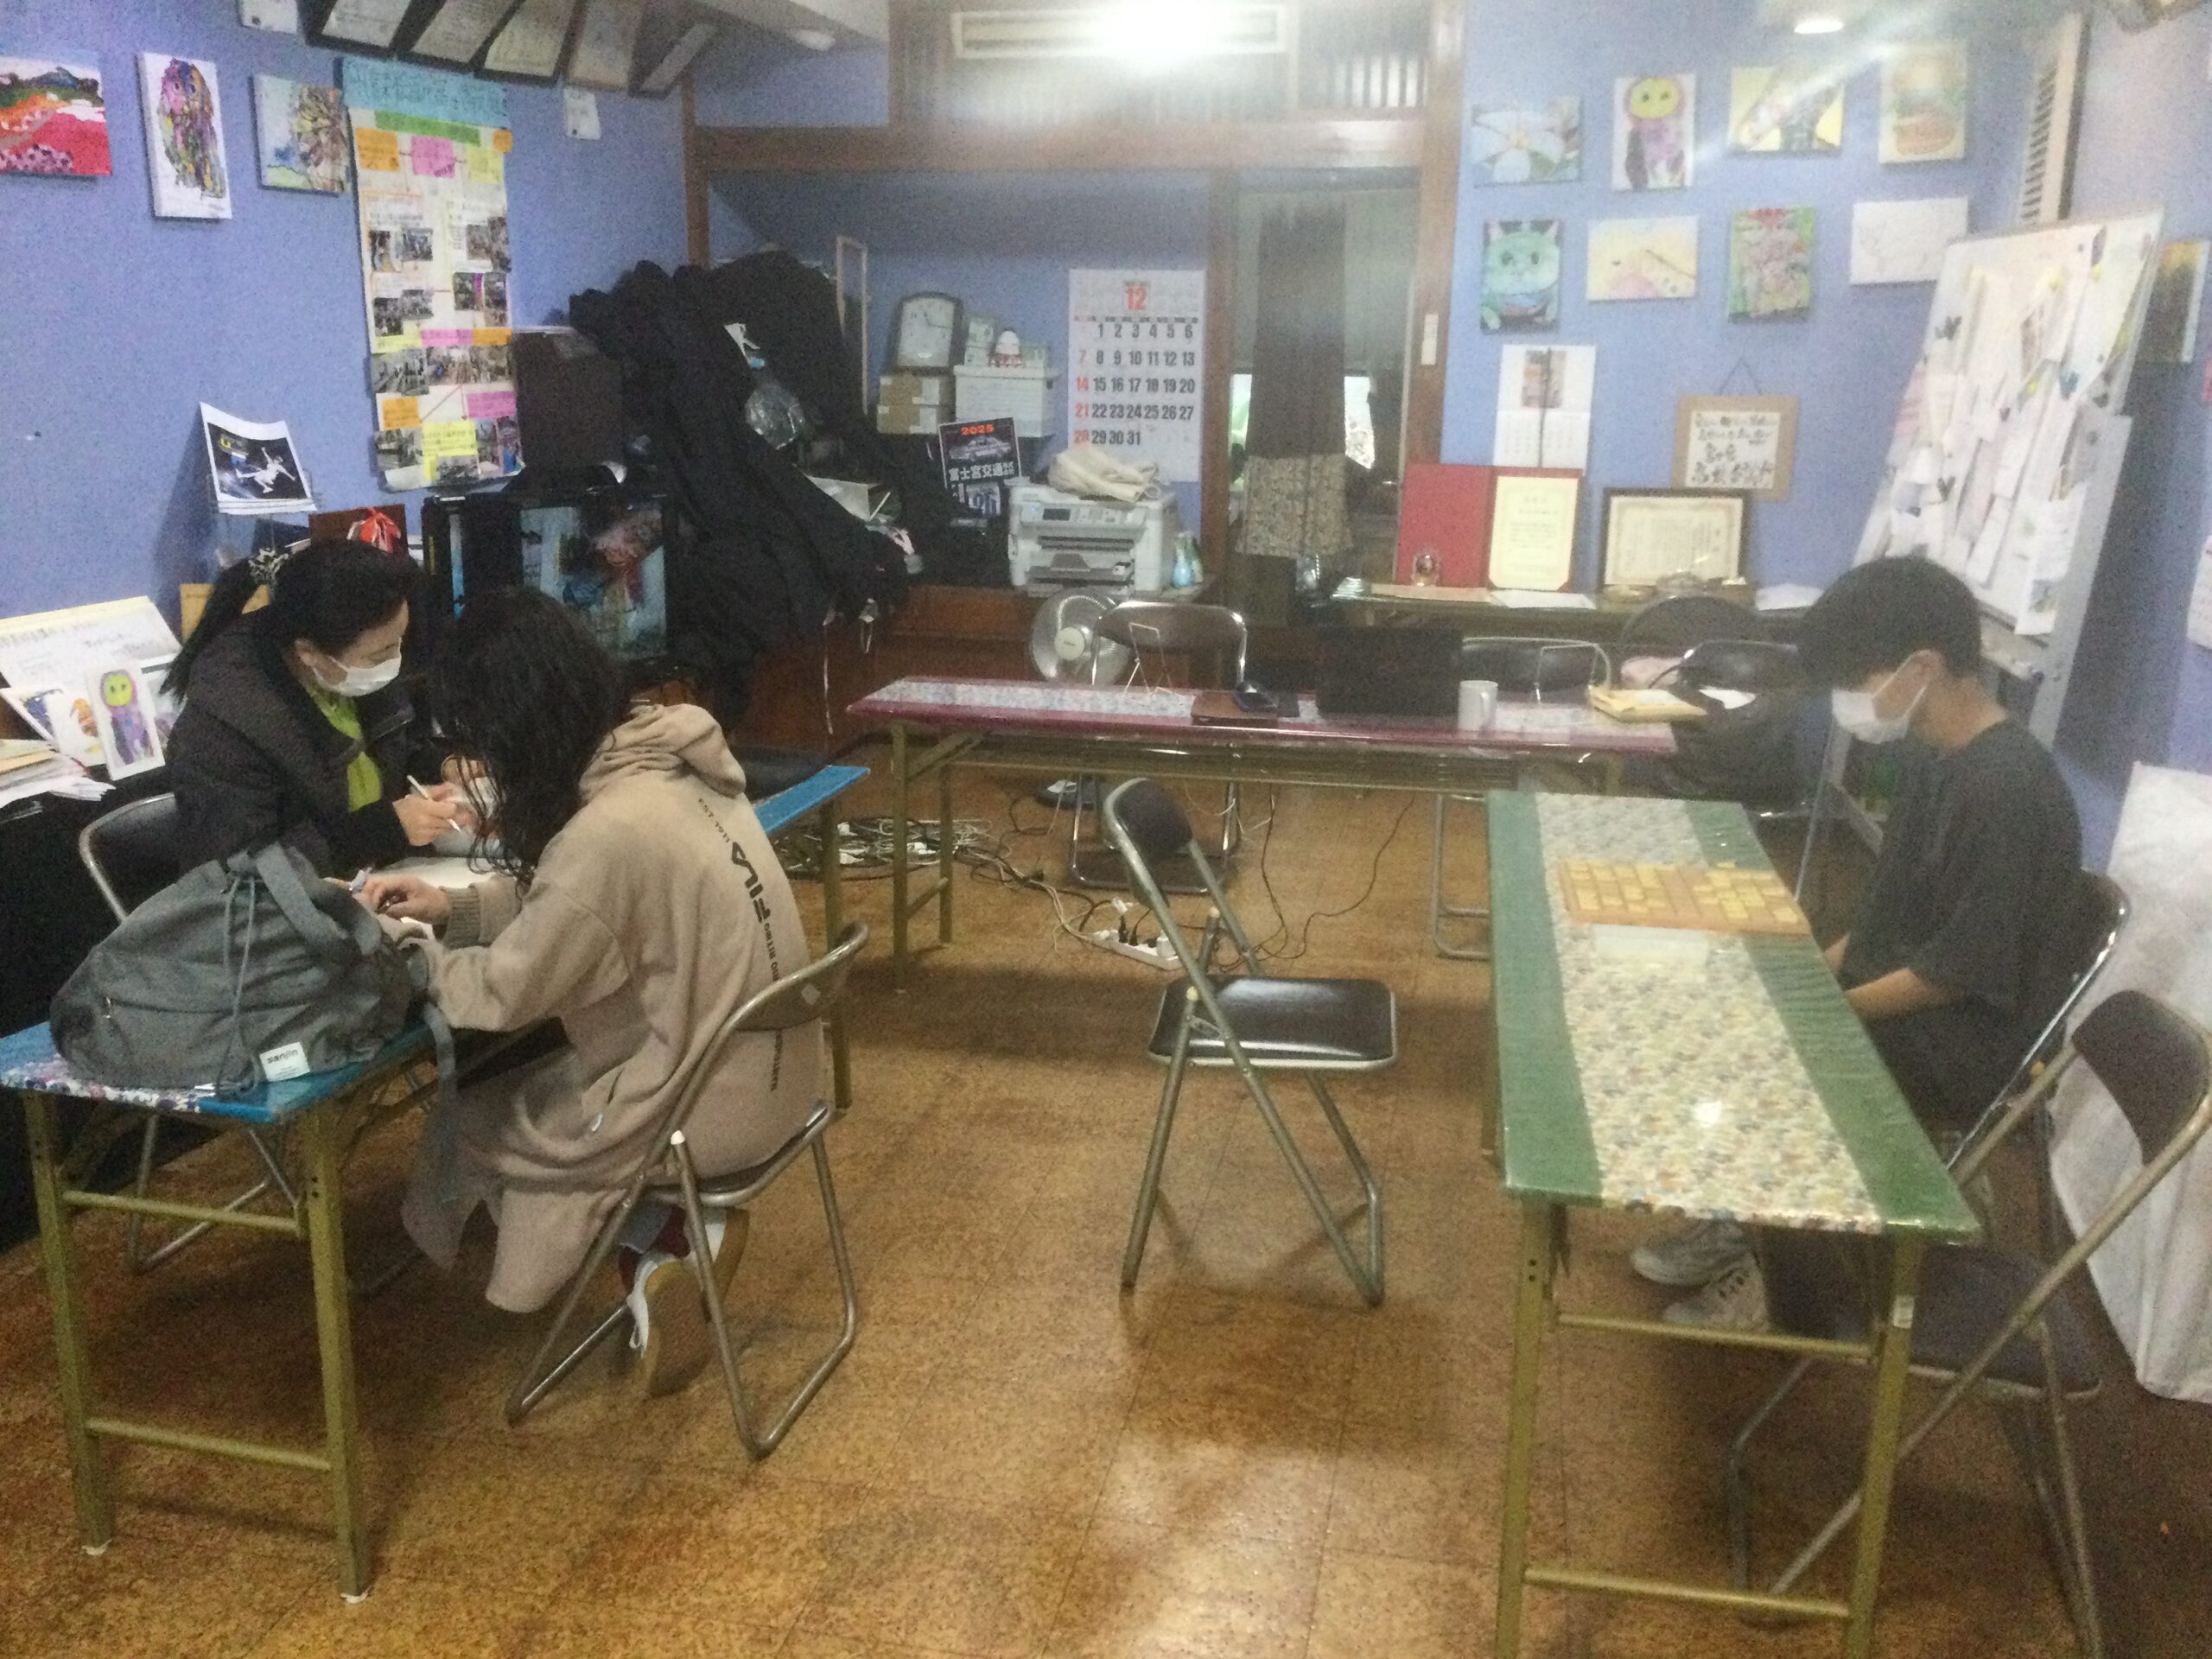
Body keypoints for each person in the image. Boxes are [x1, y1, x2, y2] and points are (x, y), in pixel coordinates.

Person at [361, 588, 820, 1397]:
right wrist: (456, 908)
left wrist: (408, 950)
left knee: (473, 1119)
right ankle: (663, 1241)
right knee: (535, 1085)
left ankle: (660, 1237)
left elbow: (506, 991)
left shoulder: (606, 833)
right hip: (783, 1076)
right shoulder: (671, 760)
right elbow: (590, 904)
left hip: (704, 1111)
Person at [1637, 557, 2082, 1329]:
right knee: (1737, 999)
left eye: (1855, 679)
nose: (1848, 701)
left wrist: (1823, 1014)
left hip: (1963, 1037)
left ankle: (1784, 1282)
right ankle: (1745, 1218)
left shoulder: (2006, 790)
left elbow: (1958, 970)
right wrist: (1805, 976)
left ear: (1922, 667)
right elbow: (1884, 920)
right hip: (1919, 997)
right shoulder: (1937, 758)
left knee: (1774, 1052)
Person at [165, 537, 465, 874]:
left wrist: (444, 767)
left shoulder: (350, 666)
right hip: (291, 900)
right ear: (307, 652)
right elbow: (244, 871)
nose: (394, 660)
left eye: (399, 642)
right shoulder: (221, 732)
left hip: (381, 876)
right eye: (380, 653)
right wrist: (385, 830)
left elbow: (393, 753)